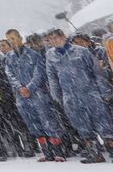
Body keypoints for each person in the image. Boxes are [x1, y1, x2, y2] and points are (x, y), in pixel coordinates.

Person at [45, 28, 113, 163]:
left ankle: (111, 148)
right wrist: (57, 95)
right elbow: (52, 76)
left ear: (63, 37)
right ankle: (94, 153)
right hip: (70, 96)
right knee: (82, 126)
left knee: (104, 124)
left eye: (56, 37)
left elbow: (97, 72)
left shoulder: (81, 51)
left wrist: (104, 92)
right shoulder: (50, 55)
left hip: (90, 93)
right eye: (51, 39)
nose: (54, 41)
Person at [4, 31, 65, 161]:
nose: (12, 41)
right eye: (9, 39)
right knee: (33, 123)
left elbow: (39, 73)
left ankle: (58, 151)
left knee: (48, 121)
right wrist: (19, 87)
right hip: (21, 95)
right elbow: (9, 74)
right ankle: (46, 152)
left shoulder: (34, 54)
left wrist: (29, 87)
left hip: (38, 94)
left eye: (13, 38)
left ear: (20, 38)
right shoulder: (9, 57)